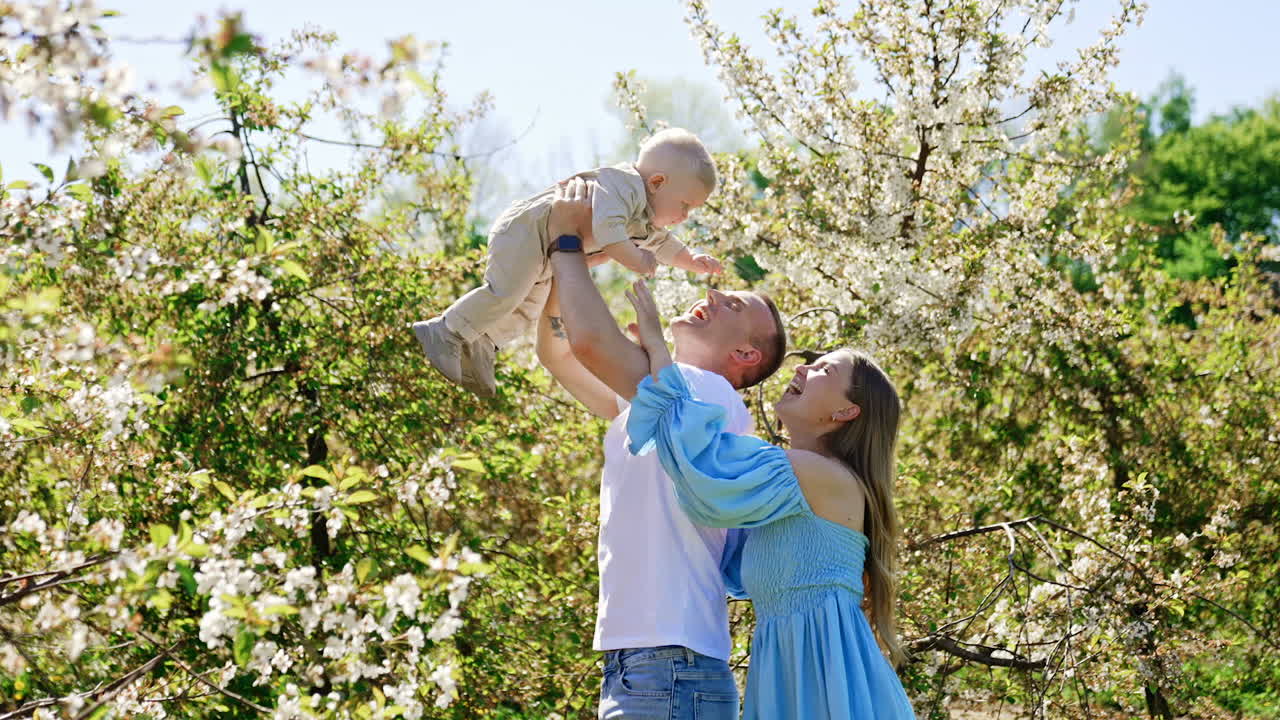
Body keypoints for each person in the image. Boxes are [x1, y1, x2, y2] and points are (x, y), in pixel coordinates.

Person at [536, 178, 788, 719]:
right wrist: (568, 254)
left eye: (733, 303)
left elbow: (590, 344)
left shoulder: (707, 395)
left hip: (667, 665)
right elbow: (559, 352)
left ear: (745, 353)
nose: (712, 294)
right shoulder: (649, 402)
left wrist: (568, 242)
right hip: (652, 663)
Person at [622, 277, 916, 720]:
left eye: (824, 372)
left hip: (823, 679)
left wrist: (659, 350)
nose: (802, 369)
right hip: (793, 673)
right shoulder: (799, 482)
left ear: (845, 413)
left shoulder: (818, 474)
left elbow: (705, 469)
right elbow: (732, 557)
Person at [412, 128, 724, 397]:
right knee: (504, 292)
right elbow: (608, 230)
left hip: (547, 251)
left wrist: (692, 260)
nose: (685, 217)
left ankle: (484, 343)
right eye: (685, 205)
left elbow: (665, 245)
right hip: (527, 231)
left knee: (526, 309)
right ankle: (444, 330)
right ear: (656, 182)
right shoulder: (623, 187)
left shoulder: (646, 220)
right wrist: (636, 259)